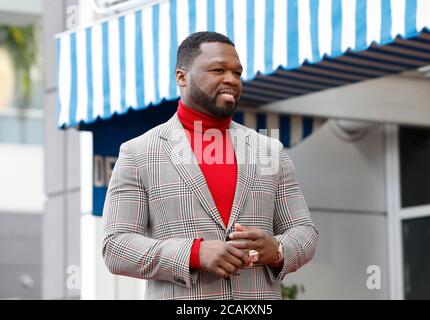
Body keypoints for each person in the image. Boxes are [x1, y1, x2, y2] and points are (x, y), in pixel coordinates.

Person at [102, 31, 318, 300]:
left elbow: (305, 232)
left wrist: (277, 249)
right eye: (219, 70)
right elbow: (116, 247)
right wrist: (193, 253)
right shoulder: (138, 152)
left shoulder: (269, 150)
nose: (232, 80)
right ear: (181, 77)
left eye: (237, 73)